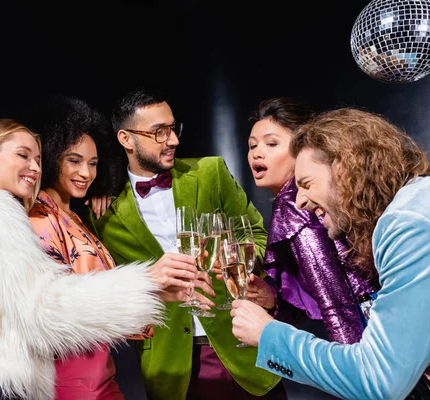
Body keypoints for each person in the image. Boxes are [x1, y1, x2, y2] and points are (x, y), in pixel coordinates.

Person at [0, 118, 171, 400]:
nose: (34, 167)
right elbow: (42, 309)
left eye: (37, 159)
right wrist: (146, 284)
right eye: (23, 155)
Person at [87, 87, 283, 400]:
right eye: (159, 132)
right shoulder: (102, 210)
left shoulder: (210, 172)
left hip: (243, 347)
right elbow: (108, 287)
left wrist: (238, 263)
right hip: (171, 366)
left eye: (173, 129)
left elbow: (256, 234)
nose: (173, 140)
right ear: (126, 139)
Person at [230, 108, 430, 400]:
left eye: (307, 184)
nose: (300, 200)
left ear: (346, 170)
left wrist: (269, 335)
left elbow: (379, 381)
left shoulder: (406, 223)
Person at [28, 96, 201, 399]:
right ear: (52, 157)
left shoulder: (80, 219)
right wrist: (148, 284)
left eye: (93, 163)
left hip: (99, 376)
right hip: (67, 382)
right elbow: (50, 313)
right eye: (74, 160)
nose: (86, 173)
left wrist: (155, 295)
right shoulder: (39, 219)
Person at [241, 97, 381, 399]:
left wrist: (359, 384)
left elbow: (337, 301)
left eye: (271, 143)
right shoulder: (312, 195)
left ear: (304, 147)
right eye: (252, 145)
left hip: (370, 337)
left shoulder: (295, 206)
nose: (257, 153)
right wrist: (272, 297)